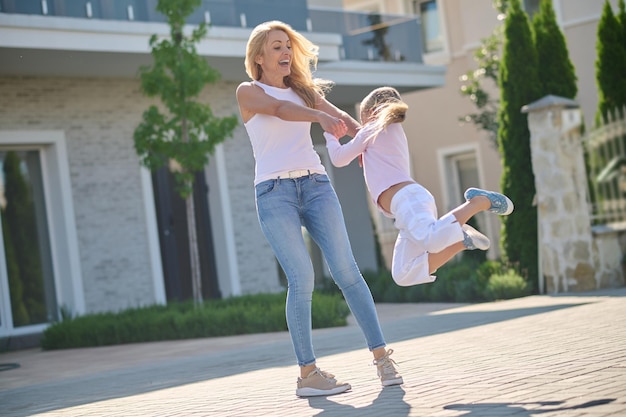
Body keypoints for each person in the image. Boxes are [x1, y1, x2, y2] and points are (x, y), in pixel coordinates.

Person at [235, 21, 403, 397]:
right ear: (259, 57)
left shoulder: (303, 90)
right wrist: (320, 117)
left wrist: (373, 138)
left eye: (288, 46)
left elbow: (345, 123)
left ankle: (382, 359)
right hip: (274, 192)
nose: (285, 53)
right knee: (302, 278)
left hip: (315, 185)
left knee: (347, 270)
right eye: (276, 47)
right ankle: (308, 374)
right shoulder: (249, 91)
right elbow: (279, 110)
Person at [324, 86, 514, 287]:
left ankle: (478, 202)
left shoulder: (374, 128)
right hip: (406, 208)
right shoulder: (387, 132)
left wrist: (330, 135)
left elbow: (339, 158)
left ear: (371, 113)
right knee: (403, 274)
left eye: (362, 119)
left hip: (408, 201)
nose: (361, 125)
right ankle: (462, 239)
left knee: (432, 240)